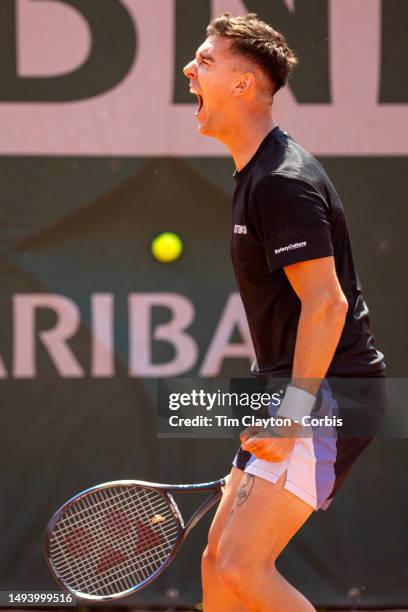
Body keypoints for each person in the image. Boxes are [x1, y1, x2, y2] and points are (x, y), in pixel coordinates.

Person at [183, 13, 385, 612]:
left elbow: (327, 304)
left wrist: (292, 411)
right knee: (218, 563)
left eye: (206, 61)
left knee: (244, 566)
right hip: (294, 387)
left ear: (244, 85)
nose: (189, 70)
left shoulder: (281, 182)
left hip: (330, 393)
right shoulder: (256, 174)